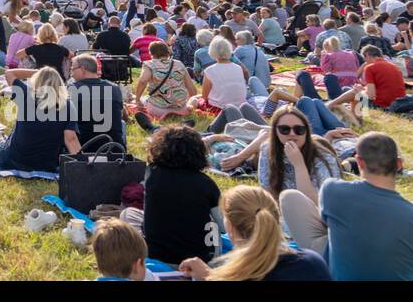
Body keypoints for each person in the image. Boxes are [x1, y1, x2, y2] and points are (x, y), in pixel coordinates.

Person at [276, 132, 413, 278]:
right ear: (399, 164)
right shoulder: (409, 213)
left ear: (359, 162)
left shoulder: (333, 190)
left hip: (329, 272)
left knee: (290, 197)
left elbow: (324, 223)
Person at [179, 186, 331, 281]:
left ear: (230, 227)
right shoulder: (312, 263)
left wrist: (210, 277)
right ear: (276, 219)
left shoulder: (235, 275)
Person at [0, 66, 79, 174]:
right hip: (46, 165)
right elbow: (71, 139)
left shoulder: (26, 94)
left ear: (37, 80)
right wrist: (81, 166)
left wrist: (37, 72)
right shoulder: (68, 106)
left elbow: (9, 73)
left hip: (14, 160)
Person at [142, 125, 222, 267]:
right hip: (201, 261)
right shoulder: (206, 184)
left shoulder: (152, 175)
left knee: (129, 213)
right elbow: (223, 226)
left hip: (157, 257)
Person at [257, 106, 340, 203]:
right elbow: (267, 193)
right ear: (275, 131)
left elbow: (320, 204)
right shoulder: (267, 149)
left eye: (299, 129)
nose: (292, 134)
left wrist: (299, 165)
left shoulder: (323, 156)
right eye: (284, 129)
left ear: (306, 131)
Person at [68, 54, 126, 148]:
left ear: (82, 69)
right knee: (122, 124)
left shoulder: (71, 89)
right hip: (114, 148)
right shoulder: (114, 88)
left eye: (73, 69)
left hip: (83, 148)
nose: (72, 73)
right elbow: (120, 115)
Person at [133, 40, 198, 121]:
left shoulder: (150, 65)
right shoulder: (179, 64)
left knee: (143, 99)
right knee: (195, 100)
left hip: (158, 109)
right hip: (181, 109)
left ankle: (166, 113)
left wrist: (137, 99)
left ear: (151, 53)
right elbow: (193, 90)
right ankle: (176, 113)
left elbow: (143, 81)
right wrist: (188, 100)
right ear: (168, 51)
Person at [201, 37, 248, 110]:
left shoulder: (209, 70)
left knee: (195, 100)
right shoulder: (238, 68)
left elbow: (204, 96)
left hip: (219, 108)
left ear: (212, 51)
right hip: (240, 106)